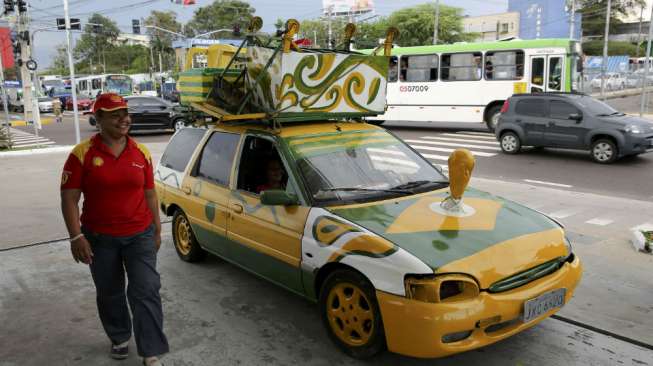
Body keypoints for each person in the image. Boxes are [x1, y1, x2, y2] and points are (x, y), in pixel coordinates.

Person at [60, 93, 168, 366]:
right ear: (99, 119)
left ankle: (150, 350)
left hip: (139, 234)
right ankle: (119, 336)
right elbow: (69, 198)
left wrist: (157, 229)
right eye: (115, 114)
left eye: (125, 113)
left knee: (146, 289)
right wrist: (76, 236)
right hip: (99, 238)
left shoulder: (140, 152)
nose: (124, 119)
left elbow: (150, 194)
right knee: (109, 291)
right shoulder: (82, 154)